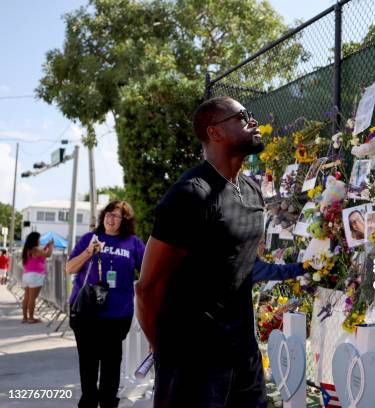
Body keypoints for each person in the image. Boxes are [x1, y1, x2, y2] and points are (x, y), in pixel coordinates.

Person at [136, 96, 273, 407]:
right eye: (242, 116)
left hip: (243, 356)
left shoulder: (252, 191)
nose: (253, 121)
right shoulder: (190, 195)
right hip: (193, 362)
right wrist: (164, 347)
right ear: (215, 133)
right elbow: (147, 287)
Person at [66, 200, 145, 408]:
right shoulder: (88, 239)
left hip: (117, 314)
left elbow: (147, 271)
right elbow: (70, 269)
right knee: (88, 363)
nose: (111, 218)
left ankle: (109, 403)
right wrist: (88, 252)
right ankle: (89, 402)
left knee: (111, 364)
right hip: (86, 314)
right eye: (108, 214)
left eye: (117, 215)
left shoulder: (133, 243)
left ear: (124, 220)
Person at [21, 232, 53, 323]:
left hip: (27, 275)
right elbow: (48, 254)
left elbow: (41, 254)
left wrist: (46, 246)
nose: (39, 240)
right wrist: (51, 246)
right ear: (35, 240)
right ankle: (31, 318)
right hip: (35, 276)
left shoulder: (28, 249)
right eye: (39, 239)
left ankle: (25, 318)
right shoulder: (35, 249)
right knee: (32, 298)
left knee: (26, 297)